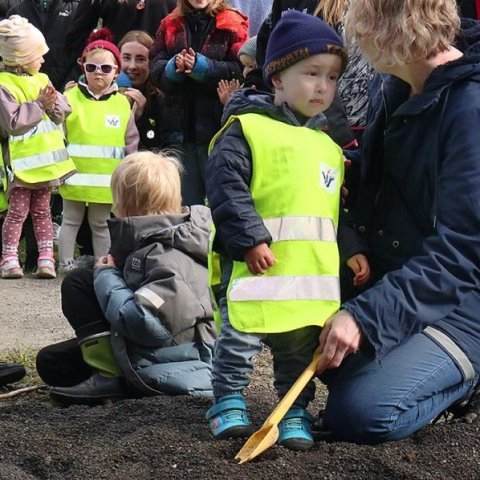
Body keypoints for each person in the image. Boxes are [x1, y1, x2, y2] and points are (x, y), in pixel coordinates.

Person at [313, 0, 480, 444]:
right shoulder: (395, 86)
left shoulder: (470, 109)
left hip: (463, 298)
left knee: (360, 414)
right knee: (312, 340)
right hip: (401, 274)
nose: (356, 40)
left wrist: (365, 317)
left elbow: (462, 251)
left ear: (393, 29)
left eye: (361, 26)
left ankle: (467, 380)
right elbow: (376, 188)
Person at [205, 10, 369, 451]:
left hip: (305, 279)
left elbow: (334, 210)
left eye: (332, 78)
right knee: (239, 340)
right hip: (255, 267)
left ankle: (293, 408)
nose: (323, 87)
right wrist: (250, 239)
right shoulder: (245, 130)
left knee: (298, 350)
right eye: (311, 74)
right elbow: (226, 187)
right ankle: (227, 400)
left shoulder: (328, 146)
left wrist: (350, 248)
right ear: (276, 78)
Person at [36, 151, 216, 405]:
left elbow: (148, 325)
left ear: (127, 205)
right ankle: (108, 372)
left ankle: (109, 376)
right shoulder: (160, 239)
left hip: (174, 364)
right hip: (160, 354)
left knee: (79, 283)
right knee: (50, 363)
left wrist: (107, 276)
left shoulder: (169, 255)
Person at [149, 0, 248, 206]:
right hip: (178, 130)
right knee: (184, 203)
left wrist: (202, 67)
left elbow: (241, 68)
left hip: (216, 128)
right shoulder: (170, 24)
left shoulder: (232, 23)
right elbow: (154, 67)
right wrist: (172, 69)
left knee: (221, 200)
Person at [0, 15, 76, 279]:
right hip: (21, 167)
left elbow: (61, 112)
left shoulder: (42, 79)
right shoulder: (4, 85)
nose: (43, 60)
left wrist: (56, 103)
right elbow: (12, 122)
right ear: (21, 58)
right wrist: (39, 106)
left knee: (43, 212)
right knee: (17, 212)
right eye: (38, 55)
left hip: (45, 166)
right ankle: (9, 257)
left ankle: (46, 258)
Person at [57, 28, 139, 273]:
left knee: (101, 225)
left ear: (116, 72)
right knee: (70, 221)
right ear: (83, 67)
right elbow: (58, 133)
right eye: (91, 67)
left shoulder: (122, 104)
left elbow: (130, 140)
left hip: (106, 181)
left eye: (105, 68)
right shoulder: (70, 97)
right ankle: (65, 263)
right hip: (73, 176)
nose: (98, 73)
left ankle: (102, 265)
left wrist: (130, 170)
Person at [118, 30, 165, 150]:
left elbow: (157, 147)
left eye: (140, 59)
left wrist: (140, 119)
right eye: (126, 58)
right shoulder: (103, 94)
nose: (132, 66)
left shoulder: (161, 100)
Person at [217, 35, 256, 105]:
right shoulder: (243, 86)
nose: (245, 71)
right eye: (244, 66)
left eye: (251, 66)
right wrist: (229, 101)